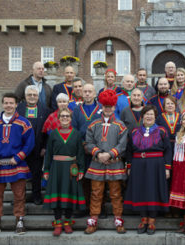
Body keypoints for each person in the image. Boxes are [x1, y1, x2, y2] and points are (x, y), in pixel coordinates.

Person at [0, 93, 35, 234]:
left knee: (19, 194)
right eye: (6, 103)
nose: (8, 105)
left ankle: (19, 220)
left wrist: (19, 157)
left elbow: (29, 143)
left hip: (17, 163)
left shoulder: (24, 123)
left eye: (11, 103)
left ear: (16, 105)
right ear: (2, 104)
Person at [84, 90, 128, 234]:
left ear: (114, 107)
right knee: (96, 193)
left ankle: (118, 219)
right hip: (97, 163)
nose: (107, 109)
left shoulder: (121, 125)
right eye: (105, 106)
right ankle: (93, 220)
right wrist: (98, 153)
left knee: (116, 193)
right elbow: (88, 143)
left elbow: (122, 145)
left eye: (110, 106)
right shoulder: (93, 124)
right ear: (101, 107)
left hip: (114, 163)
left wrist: (109, 154)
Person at [124, 105, 172, 235]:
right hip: (138, 164)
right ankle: (143, 219)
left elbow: (168, 150)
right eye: (146, 114)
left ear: (155, 117)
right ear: (142, 116)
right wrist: (129, 166)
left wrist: (167, 167)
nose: (149, 116)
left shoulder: (162, 131)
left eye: (151, 114)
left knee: (153, 191)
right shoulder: (134, 131)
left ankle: (151, 221)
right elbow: (129, 150)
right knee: (141, 191)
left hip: (156, 165)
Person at [43, 108, 86, 236]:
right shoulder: (53, 134)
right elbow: (48, 153)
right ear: (58, 118)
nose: (65, 118)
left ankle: (67, 222)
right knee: (57, 196)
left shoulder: (77, 134)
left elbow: (80, 153)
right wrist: (46, 169)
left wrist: (81, 169)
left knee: (69, 195)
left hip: (71, 168)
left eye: (67, 116)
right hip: (56, 168)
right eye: (62, 116)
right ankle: (58, 223)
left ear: (71, 119)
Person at [17, 85, 51, 205]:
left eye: (34, 95)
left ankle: (36, 196)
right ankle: (20, 197)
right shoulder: (19, 109)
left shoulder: (45, 110)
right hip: (20, 148)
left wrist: (45, 147)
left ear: (38, 96)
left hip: (38, 147)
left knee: (36, 173)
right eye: (29, 95)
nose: (32, 97)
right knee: (20, 174)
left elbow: (48, 131)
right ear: (25, 96)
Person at [71, 83, 102, 217]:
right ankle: (83, 207)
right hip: (82, 150)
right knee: (83, 179)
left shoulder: (101, 108)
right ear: (81, 94)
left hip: (98, 150)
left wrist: (96, 147)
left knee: (98, 181)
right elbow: (74, 130)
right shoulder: (77, 110)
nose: (88, 94)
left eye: (90, 91)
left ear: (95, 94)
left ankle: (98, 209)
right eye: (85, 92)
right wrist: (83, 144)